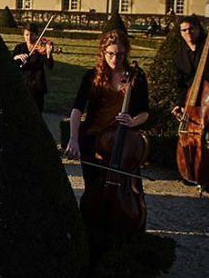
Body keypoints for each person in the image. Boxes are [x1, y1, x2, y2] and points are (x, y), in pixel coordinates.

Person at [65, 31, 149, 253]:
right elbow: (76, 110)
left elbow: (145, 112)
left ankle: (128, 238)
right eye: (111, 54)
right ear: (103, 52)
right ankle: (92, 239)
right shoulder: (91, 76)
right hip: (93, 141)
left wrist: (131, 121)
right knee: (95, 190)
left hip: (123, 143)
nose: (115, 58)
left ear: (126, 53)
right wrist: (73, 139)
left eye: (120, 54)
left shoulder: (136, 76)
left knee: (130, 189)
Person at [12, 23, 55, 112]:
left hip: (37, 86)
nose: (29, 37)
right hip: (22, 85)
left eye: (32, 34)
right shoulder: (19, 48)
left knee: (37, 112)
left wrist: (48, 53)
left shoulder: (41, 48)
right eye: (26, 34)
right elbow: (11, 64)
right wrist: (16, 57)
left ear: (36, 35)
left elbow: (49, 66)